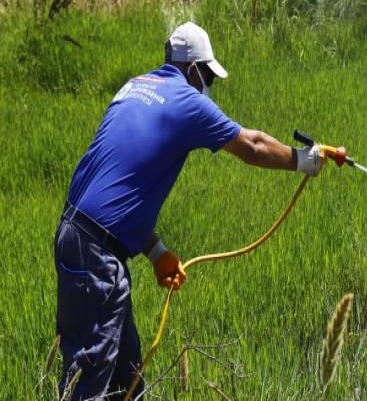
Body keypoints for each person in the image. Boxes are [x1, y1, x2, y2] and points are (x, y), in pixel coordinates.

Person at [54, 22, 324, 400]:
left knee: (126, 380)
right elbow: (253, 145)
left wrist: (156, 252)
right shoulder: (186, 99)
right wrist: (304, 160)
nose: (209, 85)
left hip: (75, 235)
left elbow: (117, 186)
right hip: (97, 255)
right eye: (209, 74)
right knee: (90, 388)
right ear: (193, 69)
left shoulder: (133, 87)